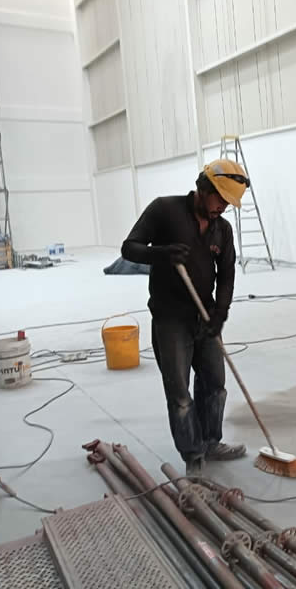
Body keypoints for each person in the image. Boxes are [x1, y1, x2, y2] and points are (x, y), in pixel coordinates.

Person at [121, 160, 249, 475]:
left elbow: (227, 274)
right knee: (180, 394)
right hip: (170, 320)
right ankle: (193, 455)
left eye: (227, 204)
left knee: (216, 385)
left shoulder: (222, 228)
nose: (222, 208)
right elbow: (129, 248)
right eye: (220, 199)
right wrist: (160, 253)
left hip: (204, 316)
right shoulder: (165, 210)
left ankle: (211, 442)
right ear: (204, 188)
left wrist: (220, 312)